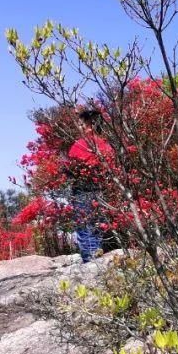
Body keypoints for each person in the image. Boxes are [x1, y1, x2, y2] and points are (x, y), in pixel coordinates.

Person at [66, 108, 113, 263]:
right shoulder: (105, 145)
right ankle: (96, 257)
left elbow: (70, 168)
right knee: (96, 225)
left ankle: (89, 261)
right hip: (100, 190)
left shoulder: (79, 145)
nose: (79, 127)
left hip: (82, 190)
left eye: (81, 123)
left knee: (84, 225)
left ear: (89, 124)